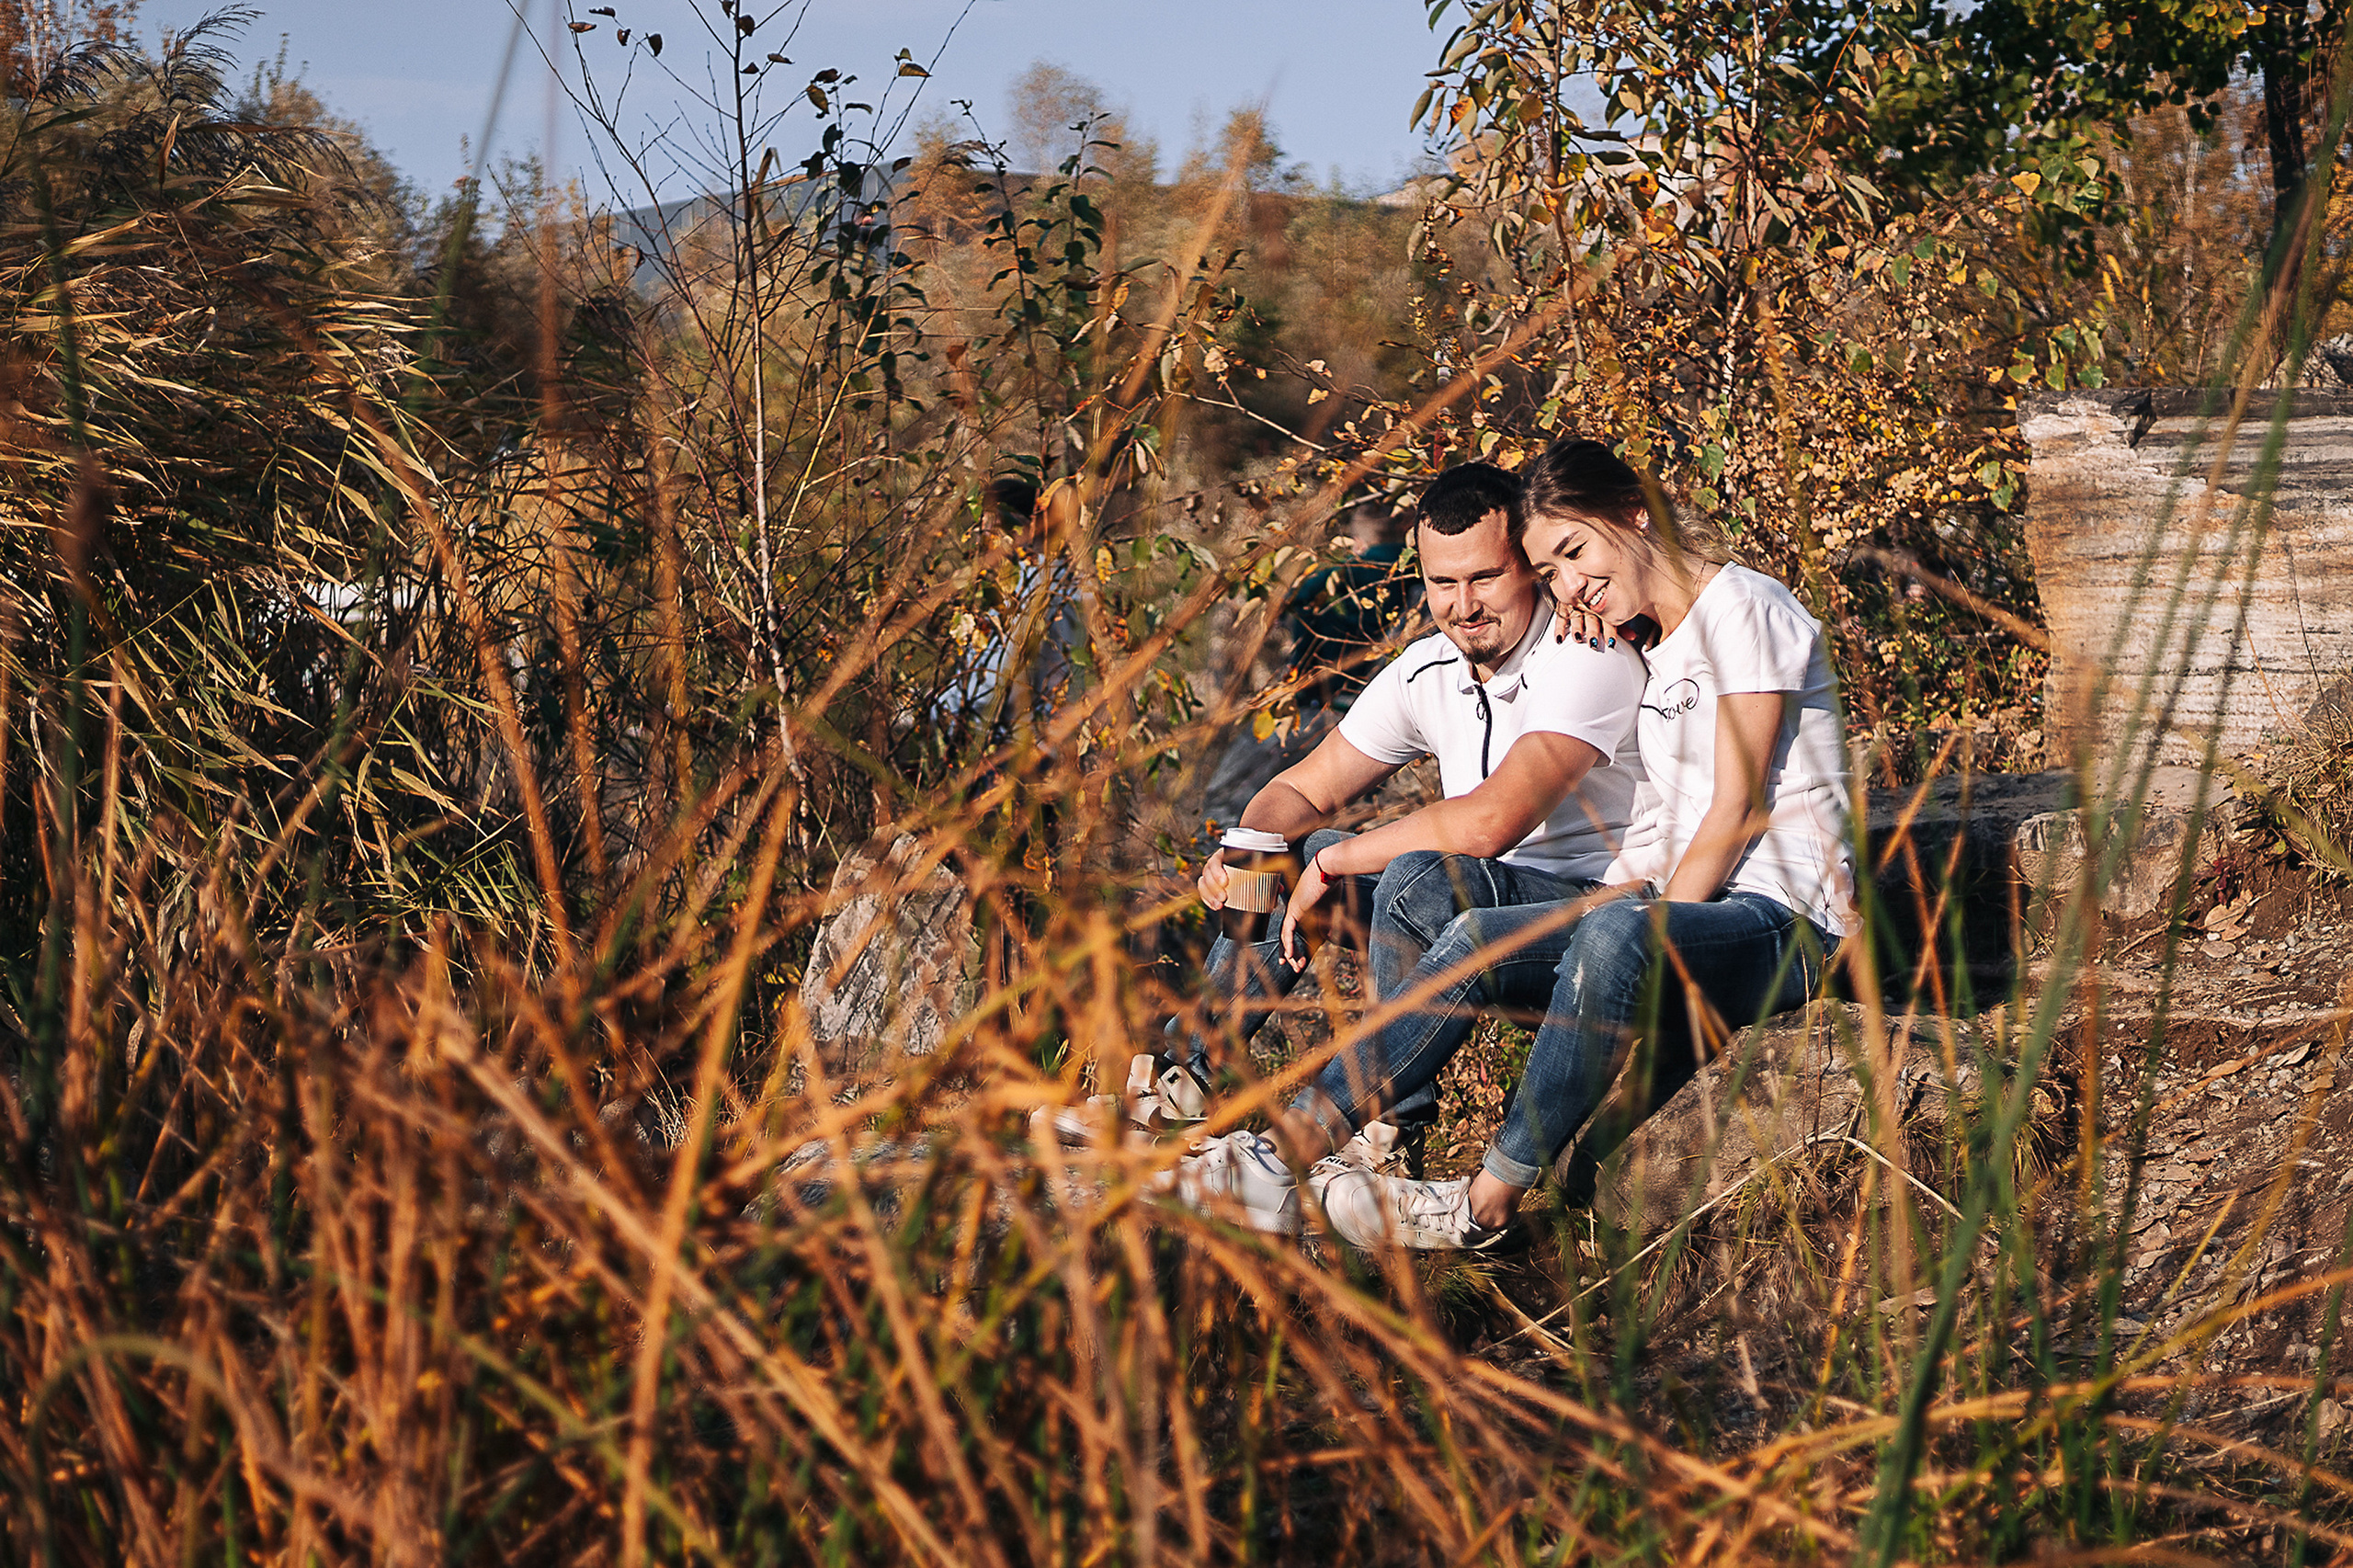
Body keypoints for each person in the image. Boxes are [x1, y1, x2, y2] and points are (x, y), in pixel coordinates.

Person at [1266, 436, 1859, 1249]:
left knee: (1616, 931)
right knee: (1469, 927)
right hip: (1691, 913)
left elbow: (1735, 809)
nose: (1570, 584)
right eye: (1549, 573)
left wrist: (1643, 934)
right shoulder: (1648, 638)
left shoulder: (1744, 609)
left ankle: (1484, 1207)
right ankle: (1286, 1153)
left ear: (1633, 514)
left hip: (1788, 922)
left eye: (1577, 551)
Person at [1134, 460, 1654, 1195]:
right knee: (1285, 849)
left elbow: (1488, 824)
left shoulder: (1586, 654)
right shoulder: (1428, 670)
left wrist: (1335, 863)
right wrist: (1244, 849)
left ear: (1530, 568)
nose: (1463, 605)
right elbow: (1303, 788)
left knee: (1411, 873)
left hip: (1590, 916)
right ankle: (1180, 1091)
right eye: (1443, 584)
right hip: (1478, 905)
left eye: (1485, 579)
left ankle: (1384, 1134)